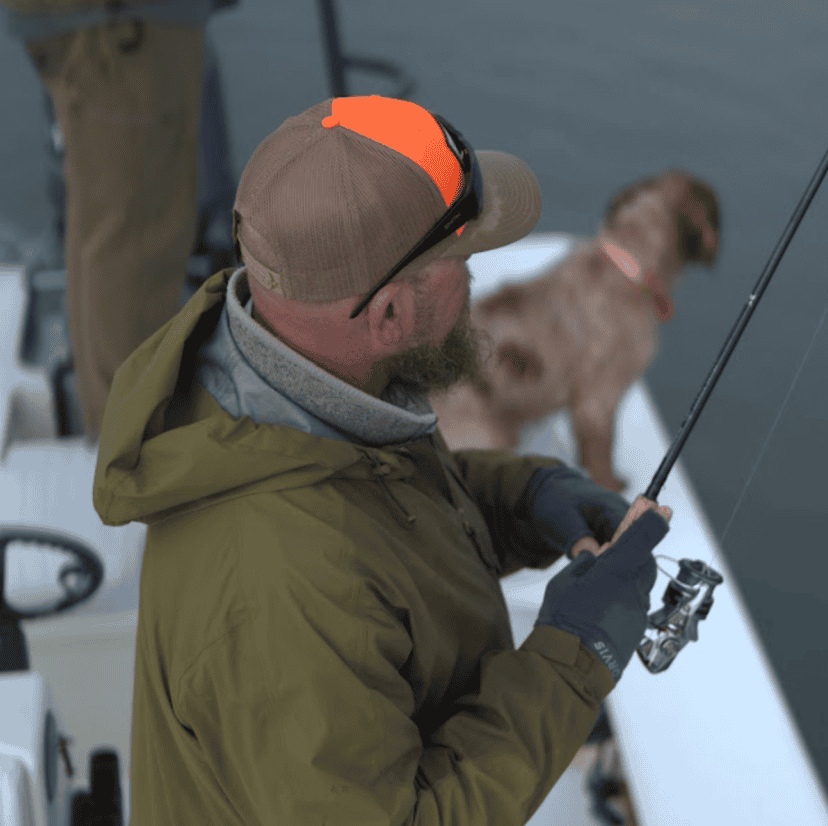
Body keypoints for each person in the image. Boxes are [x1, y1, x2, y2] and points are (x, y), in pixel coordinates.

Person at [91, 94, 673, 825]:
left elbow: (378, 524)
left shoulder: (303, 387)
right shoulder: (278, 591)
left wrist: (522, 501)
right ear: (391, 314)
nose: (476, 282)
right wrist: (575, 654)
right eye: (461, 258)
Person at [1, 0, 223, 443]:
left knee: (105, 223)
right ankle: (131, 450)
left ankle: (110, 427)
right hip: (120, 24)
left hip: (100, 24)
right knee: (136, 236)